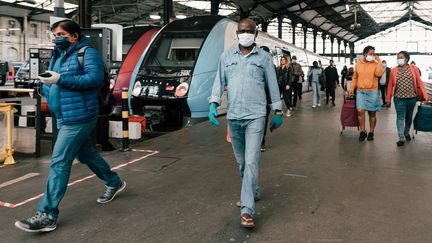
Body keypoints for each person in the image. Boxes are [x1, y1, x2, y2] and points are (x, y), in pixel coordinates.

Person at [15, 20, 125, 233]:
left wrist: (61, 79)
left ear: (74, 36)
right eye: (55, 34)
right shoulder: (59, 53)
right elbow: (55, 82)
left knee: (59, 162)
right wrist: (45, 86)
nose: (57, 37)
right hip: (63, 115)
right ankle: (114, 181)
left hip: (80, 116)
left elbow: (94, 79)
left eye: (62, 34)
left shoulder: (87, 53)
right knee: (86, 155)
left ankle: (47, 214)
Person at [208, 18, 283, 228]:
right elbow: (219, 81)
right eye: (242, 30)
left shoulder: (265, 58)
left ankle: (247, 209)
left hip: (256, 115)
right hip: (233, 116)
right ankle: (254, 191)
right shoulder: (226, 57)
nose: (246, 33)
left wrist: (278, 110)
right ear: (237, 34)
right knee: (241, 163)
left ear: (256, 34)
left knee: (251, 161)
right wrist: (213, 103)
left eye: (250, 31)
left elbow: (272, 84)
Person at [386, 51, 428, 146]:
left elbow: (419, 82)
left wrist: (425, 95)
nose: (399, 59)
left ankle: (406, 132)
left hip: (411, 98)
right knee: (400, 117)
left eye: (401, 57)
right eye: (398, 57)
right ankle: (401, 137)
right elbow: (390, 86)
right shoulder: (394, 70)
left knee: (408, 117)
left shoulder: (414, 69)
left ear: (406, 59)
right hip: (399, 98)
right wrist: (388, 99)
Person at [349, 45, 383, 141]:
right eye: (371, 53)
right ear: (365, 53)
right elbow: (355, 77)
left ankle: (371, 132)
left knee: (372, 113)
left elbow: (378, 74)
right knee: (360, 111)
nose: (373, 55)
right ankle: (363, 132)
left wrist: (379, 61)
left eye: (374, 54)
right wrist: (352, 88)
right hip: (360, 91)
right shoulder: (358, 64)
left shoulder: (376, 64)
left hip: (372, 91)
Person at [259, 45, 276, 152]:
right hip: (253, 100)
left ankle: (261, 142)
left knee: (263, 121)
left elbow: (274, 86)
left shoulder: (271, 67)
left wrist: (276, 106)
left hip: (266, 100)